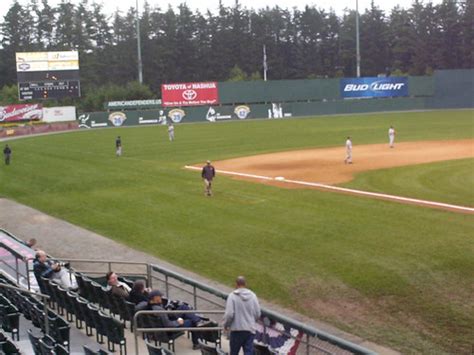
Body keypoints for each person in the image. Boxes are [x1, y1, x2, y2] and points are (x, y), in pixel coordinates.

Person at [135, 289, 202, 349]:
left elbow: (137, 307)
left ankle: (197, 320)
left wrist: (170, 313)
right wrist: (178, 322)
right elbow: (168, 325)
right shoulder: (158, 310)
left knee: (183, 307)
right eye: (160, 296)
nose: (161, 297)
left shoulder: (148, 306)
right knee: (192, 322)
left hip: (164, 323)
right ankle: (196, 342)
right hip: (170, 330)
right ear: (155, 298)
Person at [223, 276, 261, 355]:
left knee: (234, 353)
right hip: (250, 330)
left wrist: (226, 325)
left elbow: (229, 314)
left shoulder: (232, 296)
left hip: (236, 330)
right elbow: (258, 313)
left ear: (236, 284)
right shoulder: (253, 296)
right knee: (248, 352)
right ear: (245, 284)